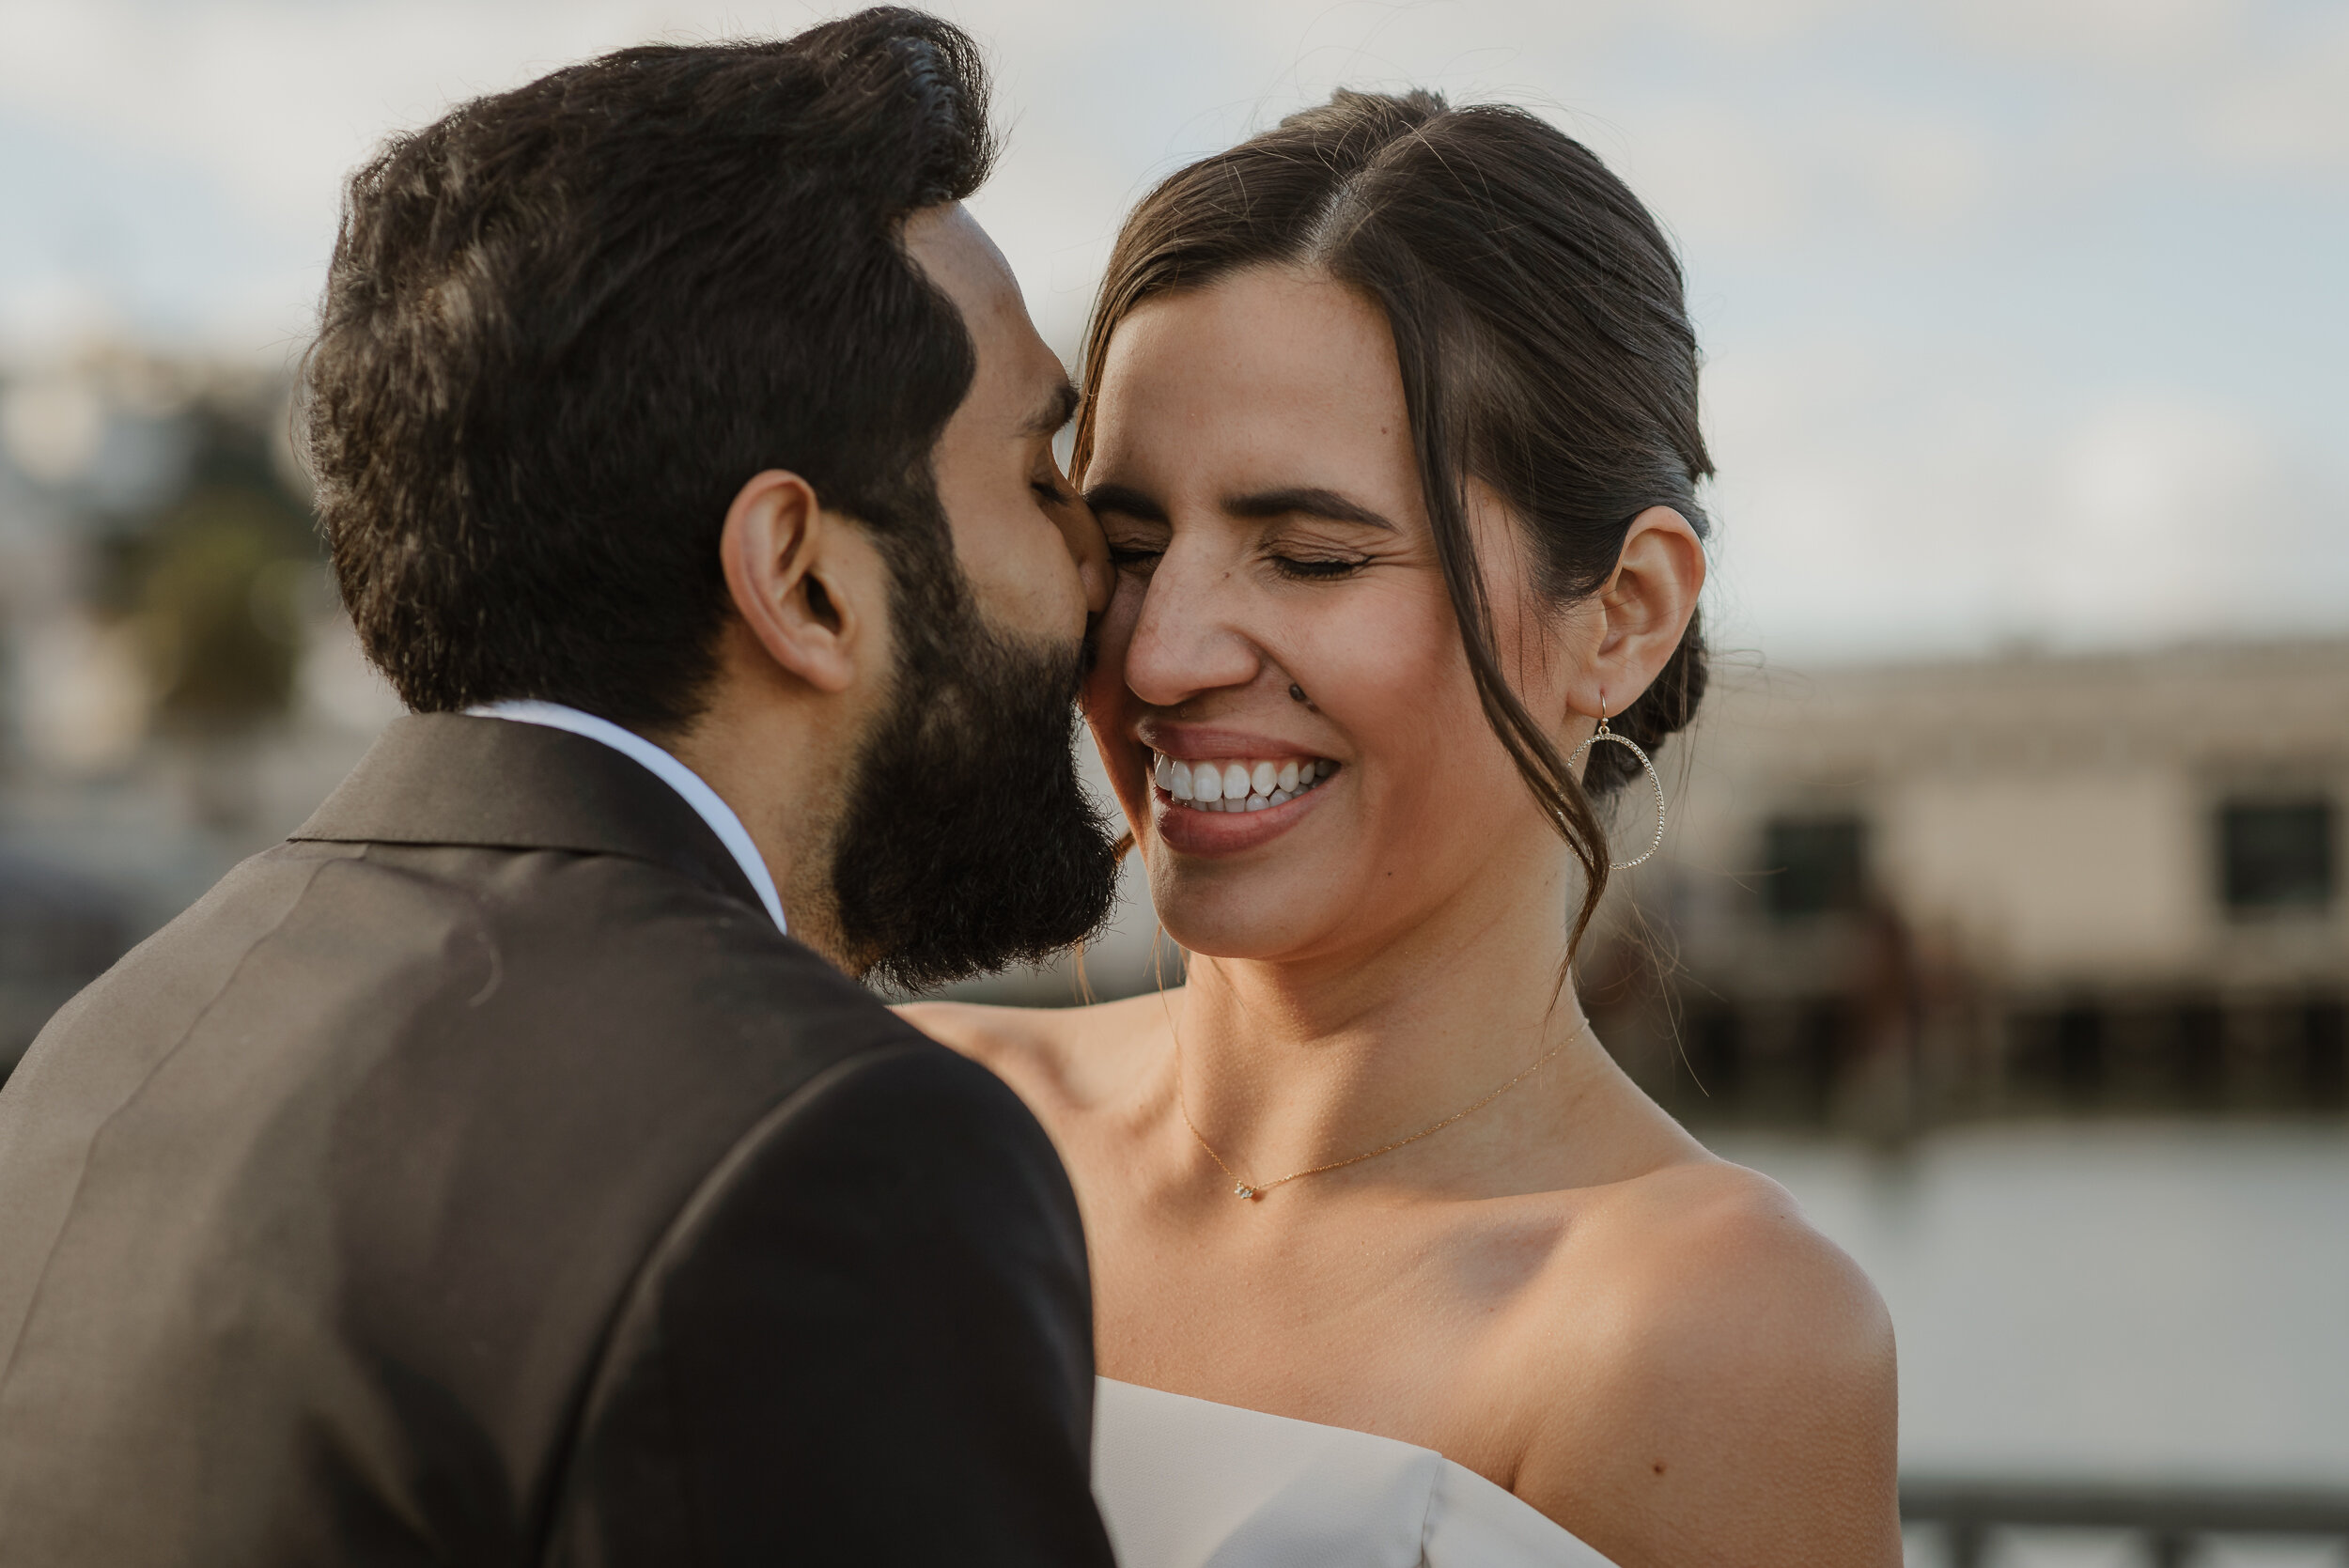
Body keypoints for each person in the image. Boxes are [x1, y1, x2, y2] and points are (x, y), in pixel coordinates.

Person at [0, 12, 1124, 1564]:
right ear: (801, 579)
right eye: (1039, 475)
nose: (1097, 567)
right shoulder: (830, 1153)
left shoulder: (108, 1050)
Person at [908, 90, 1904, 1568]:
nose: (1163, 653)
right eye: (1125, 546)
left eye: (1310, 555)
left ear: (1623, 615)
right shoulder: (908, 1114)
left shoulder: (1701, 1327)